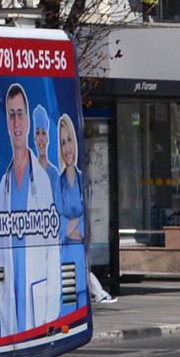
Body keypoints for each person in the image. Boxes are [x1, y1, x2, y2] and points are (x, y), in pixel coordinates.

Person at [0, 83, 59, 335]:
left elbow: (52, 251)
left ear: (28, 121)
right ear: (7, 123)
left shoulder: (42, 180)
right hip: (13, 301)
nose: (16, 121)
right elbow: (0, 251)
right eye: (11, 115)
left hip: (37, 301)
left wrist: (50, 315)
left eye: (20, 113)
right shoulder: (4, 184)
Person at [56, 113, 116, 305]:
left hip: (78, 242)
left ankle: (98, 293)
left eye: (69, 141)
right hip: (67, 247)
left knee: (82, 271)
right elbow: (59, 224)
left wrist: (73, 226)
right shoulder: (59, 182)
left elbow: (85, 216)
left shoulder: (83, 179)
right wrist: (73, 226)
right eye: (62, 143)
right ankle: (98, 293)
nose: (67, 148)